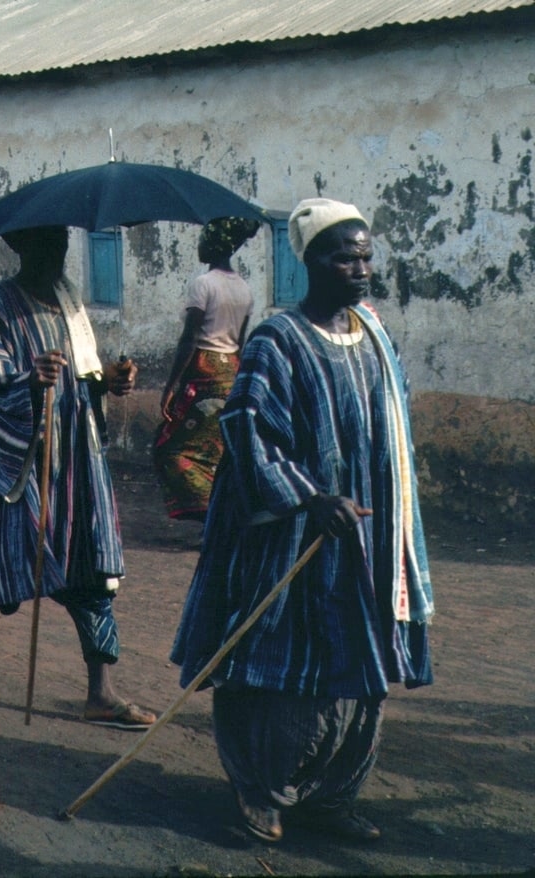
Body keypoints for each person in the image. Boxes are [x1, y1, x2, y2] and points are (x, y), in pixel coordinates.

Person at [169, 198, 434, 843]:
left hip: (364, 537)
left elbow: (390, 428)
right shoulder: (276, 340)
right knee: (278, 665)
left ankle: (331, 796)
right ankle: (260, 790)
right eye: (346, 256)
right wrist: (311, 498)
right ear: (312, 262)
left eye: (366, 255)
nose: (361, 268)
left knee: (362, 666)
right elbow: (248, 429)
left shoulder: (372, 330)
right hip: (291, 536)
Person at [0, 225, 156, 729]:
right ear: (20, 247)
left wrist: (110, 378)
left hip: (75, 462)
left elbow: (85, 375)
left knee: (92, 571)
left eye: (60, 246)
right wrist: (26, 379)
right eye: (44, 246)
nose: (54, 255)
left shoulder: (69, 301)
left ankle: (100, 692)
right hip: (12, 463)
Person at [153, 216, 260, 521]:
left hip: (202, 372)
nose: (198, 245)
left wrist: (170, 387)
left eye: (203, 240)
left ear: (213, 245)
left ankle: (209, 513)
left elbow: (190, 339)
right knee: (217, 452)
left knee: (170, 449)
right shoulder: (244, 289)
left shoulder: (203, 285)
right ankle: (220, 512)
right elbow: (239, 340)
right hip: (231, 373)